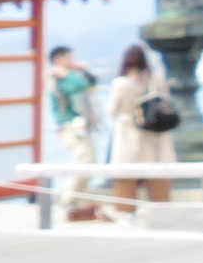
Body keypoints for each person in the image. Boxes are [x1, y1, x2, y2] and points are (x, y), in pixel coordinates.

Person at [106, 44, 175, 215]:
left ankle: (125, 214)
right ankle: (163, 213)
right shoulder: (156, 80)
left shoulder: (121, 84)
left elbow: (112, 110)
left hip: (129, 134)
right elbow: (166, 100)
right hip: (155, 135)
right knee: (158, 178)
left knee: (126, 178)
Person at [48, 46, 104, 222]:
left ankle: (75, 201)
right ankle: (68, 200)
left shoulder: (68, 74)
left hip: (81, 125)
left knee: (89, 161)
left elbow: (91, 82)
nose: (72, 61)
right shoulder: (55, 77)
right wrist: (70, 73)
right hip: (69, 126)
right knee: (84, 160)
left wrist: (81, 71)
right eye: (68, 58)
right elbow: (80, 86)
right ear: (58, 59)